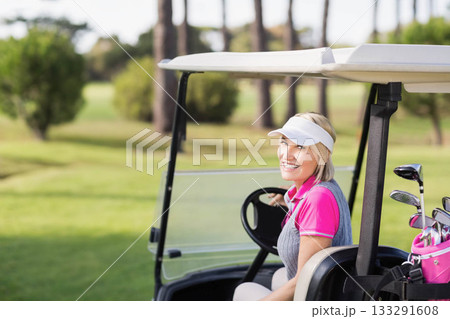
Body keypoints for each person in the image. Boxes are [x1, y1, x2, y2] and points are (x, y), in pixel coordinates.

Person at [233, 112, 352, 301]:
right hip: (326, 290)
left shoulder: (318, 199)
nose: (286, 154)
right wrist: (292, 200)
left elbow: (303, 283)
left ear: (323, 154)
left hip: (316, 299)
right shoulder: (323, 188)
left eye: (300, 146)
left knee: (244, 290)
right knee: (280, 275)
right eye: (284, 142)